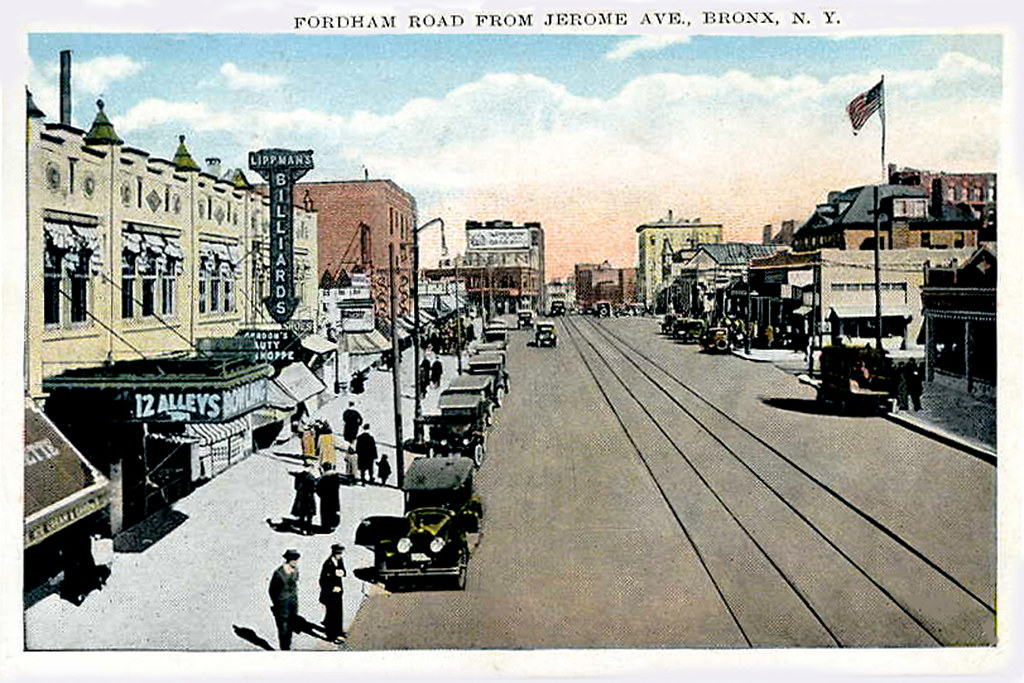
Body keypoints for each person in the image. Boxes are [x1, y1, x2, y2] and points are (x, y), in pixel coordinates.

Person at [269, 549, 301, 650]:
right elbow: (272, 590)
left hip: (292, 604)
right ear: (288, 560)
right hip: (281, 605)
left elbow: (295, 585)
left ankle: (288, 647)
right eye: (294, 560)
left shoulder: (295, 570)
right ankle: (284, 649)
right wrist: (277, 603)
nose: (296, 562)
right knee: (283, 628)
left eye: (296, 560)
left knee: (290, 627)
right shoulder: (279, 573)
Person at [319, 544, 348, 643]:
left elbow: (344, 571)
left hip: (338, 592)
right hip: (330, 594)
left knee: (338, 613)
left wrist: (342, 573)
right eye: (338, 554)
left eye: (341, 554)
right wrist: (332, 588)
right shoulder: (328, 564)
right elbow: (322, 580)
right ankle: (331, 636)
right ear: (334, 554)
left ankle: (339, 632)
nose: (340, 556)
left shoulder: (339, 561)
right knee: (331, 615)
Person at [290, 463, 319, 533]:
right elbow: (314, 488)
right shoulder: (312, 477)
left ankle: (302, 529)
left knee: (302, 513)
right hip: (309, 497)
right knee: (309, 514)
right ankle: (308, 530)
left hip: (300, 496)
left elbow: (295, 487)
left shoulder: (299, 476)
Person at [316, 462, 342, 531]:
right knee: (333, 511)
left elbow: (319, 487)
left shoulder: (324, 477)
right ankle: (333, 525)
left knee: (325, 512)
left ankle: (326, 526)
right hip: (334, 497)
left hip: (325, 498)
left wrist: (320, 494)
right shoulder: (336, 476)